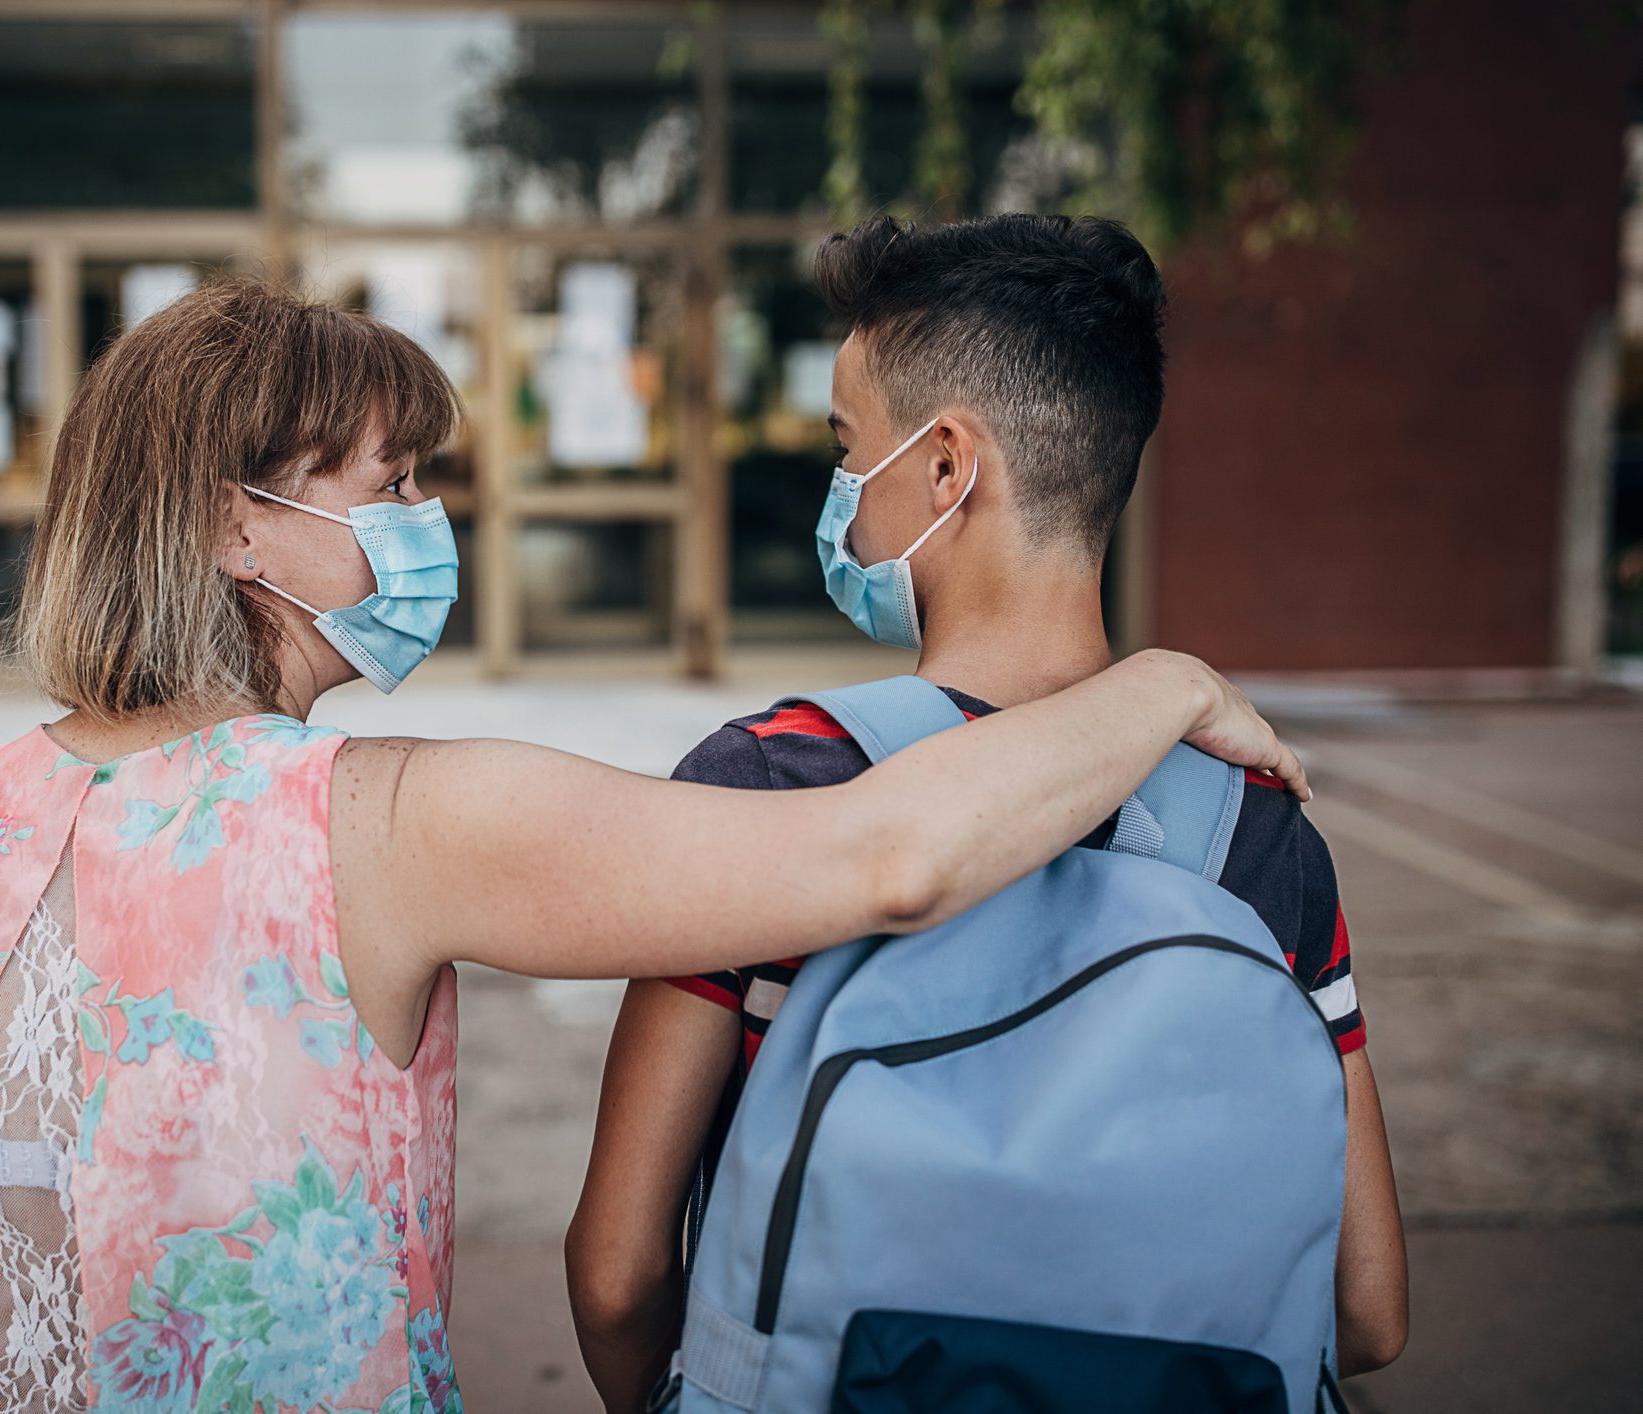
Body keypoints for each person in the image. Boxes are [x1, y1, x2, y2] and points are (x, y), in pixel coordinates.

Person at [0, 276, 1304, 1414]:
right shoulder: (380, 820)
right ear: (233, 520)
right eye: (390, 480)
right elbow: (883, 857)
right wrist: (1163, 682)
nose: (425, 521)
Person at [566, 213, 1409, 1412]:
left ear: (947, 467)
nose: (844, 494)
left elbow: (616, 1273)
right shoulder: (1259, 835)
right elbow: (1367, 1310)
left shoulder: (775, 783)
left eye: (851, 448)